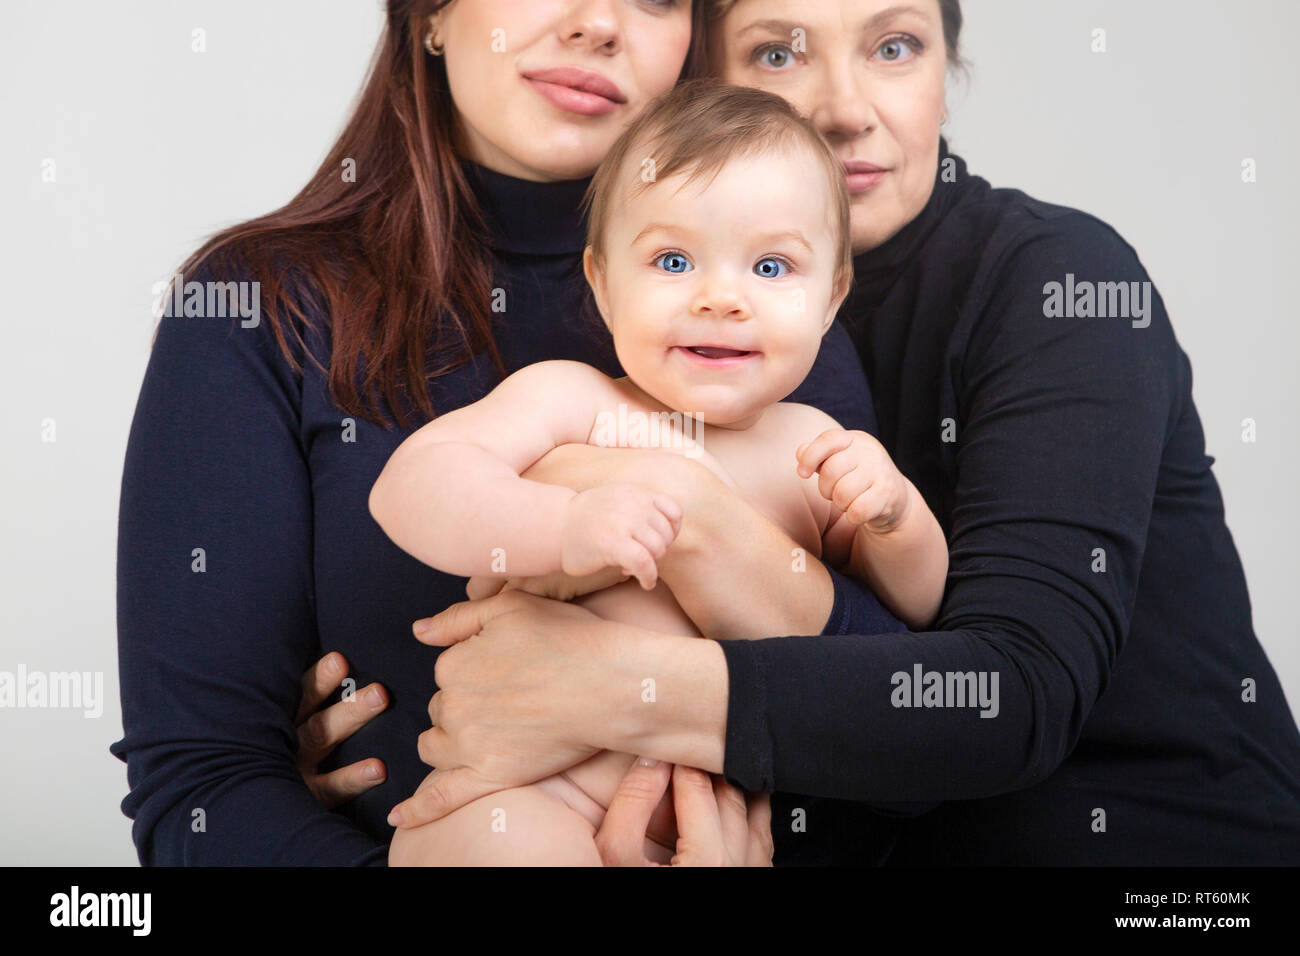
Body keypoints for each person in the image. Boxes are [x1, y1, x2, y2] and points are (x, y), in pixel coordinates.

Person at [386, 0, 1300, 865]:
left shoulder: (1058, 283)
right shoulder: (637, 359)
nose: (844, 110)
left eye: (895, 46)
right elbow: (427, 488)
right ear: (701, 81)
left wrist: (605, 686)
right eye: (778, 53)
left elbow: (992, 685)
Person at [111, 0, 900, 865]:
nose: (599, 21)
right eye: (669, 262)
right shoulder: (261, 309)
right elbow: (202, 788)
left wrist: (647, 653)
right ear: (433, 14)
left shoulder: (758, 329)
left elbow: (899, 731)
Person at [370, 81, 948, 864]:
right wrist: (562, 527)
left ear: (830, 298)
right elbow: (412, 486)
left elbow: (911, 611)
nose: (721, 299)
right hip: (530, 798)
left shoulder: (814, 448)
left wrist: (895, 518)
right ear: (604, 285)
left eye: (772, 267)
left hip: (721, 826)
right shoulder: (570, 399)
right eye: (673, 260)